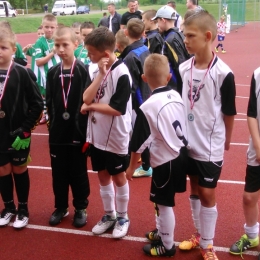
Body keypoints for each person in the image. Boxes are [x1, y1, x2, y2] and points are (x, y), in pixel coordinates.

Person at [177, 10, 236, 260]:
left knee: (207, 193)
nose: (185, 40)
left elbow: (230, 112)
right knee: (193, 188)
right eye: (184, 34)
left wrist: (228, 140)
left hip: (210, 145)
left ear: (208, 36)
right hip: (187, 142)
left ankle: (209, 245)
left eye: (190, 35)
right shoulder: (182, 68)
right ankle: (199, 234)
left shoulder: (224, 73)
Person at [126, 53, 188, 257]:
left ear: (144, 78)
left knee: (164, 202)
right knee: (161, 200)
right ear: (169, 77)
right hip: (180, 154)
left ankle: (168, 245)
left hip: (166, 160)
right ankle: (162, 231)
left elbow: (138, 143)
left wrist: (131, 167)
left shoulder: (148, 106)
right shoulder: (177, 95)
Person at [81, 27, 132, 238]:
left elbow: (117, 109)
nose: (88, 56)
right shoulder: (94, 70)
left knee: (119, 177)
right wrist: (99, 76)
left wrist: (92, 107)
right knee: (102, 176)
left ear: (106, 54)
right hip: (96, 136)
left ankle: (122, 216)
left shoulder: (123, 73)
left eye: (91, 53)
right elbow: (86, 98)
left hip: (116, 136)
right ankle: (109, 214)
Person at [46, 26, 90, 228]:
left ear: (76, 44)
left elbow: (88, 104)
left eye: (65, 44)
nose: (61, 49)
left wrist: (86, 133)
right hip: (57, 134)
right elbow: (49, 102)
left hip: (77, 133)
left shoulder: (82, 70)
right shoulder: (53, 72)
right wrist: (51, 125)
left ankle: (80, 207)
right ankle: (60, 206)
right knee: (58, 174)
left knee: (78, 173)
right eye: (57, 45)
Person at [0, 26, 43, 229]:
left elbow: (37, 104)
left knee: (19, 168)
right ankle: (8, 207)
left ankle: (23, 209)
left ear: (13, 49)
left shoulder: (22, 73)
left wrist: (26, 130)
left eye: (3, 47)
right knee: (2, 170)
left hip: (18, 133)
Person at [229, 67, 260, 257]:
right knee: (249, 197)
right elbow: (251, 113)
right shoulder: (257, 74)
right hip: (257, 147)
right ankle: (251, 236)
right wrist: (257, 144)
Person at [119, 18, 152, 178]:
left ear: (126, 32)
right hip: (147, 95)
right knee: (144, 131)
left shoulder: (130, 57)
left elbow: (130, 85)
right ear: (143, 33)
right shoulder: (145, 48)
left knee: (140, 133)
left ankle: (146, 166)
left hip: (138, 101)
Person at [151, 5, 190, 95]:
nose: (157, 25)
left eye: (157, 21)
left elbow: (180, 64)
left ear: (163, 20)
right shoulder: (179, 34)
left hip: (175, 87)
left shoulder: (170, 40)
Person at [34, 14, 61, 125]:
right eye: (47, 27)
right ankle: (46, 115)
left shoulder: (58, 39)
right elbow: (38, 61)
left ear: (56, 27)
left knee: (59, 97)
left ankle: (56, 115)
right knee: (47, 98)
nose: (49, 30)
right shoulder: (40, 42)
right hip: (46, 76)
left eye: (52, 27)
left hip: (59, 74)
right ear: (42, 26)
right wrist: (52, 52)